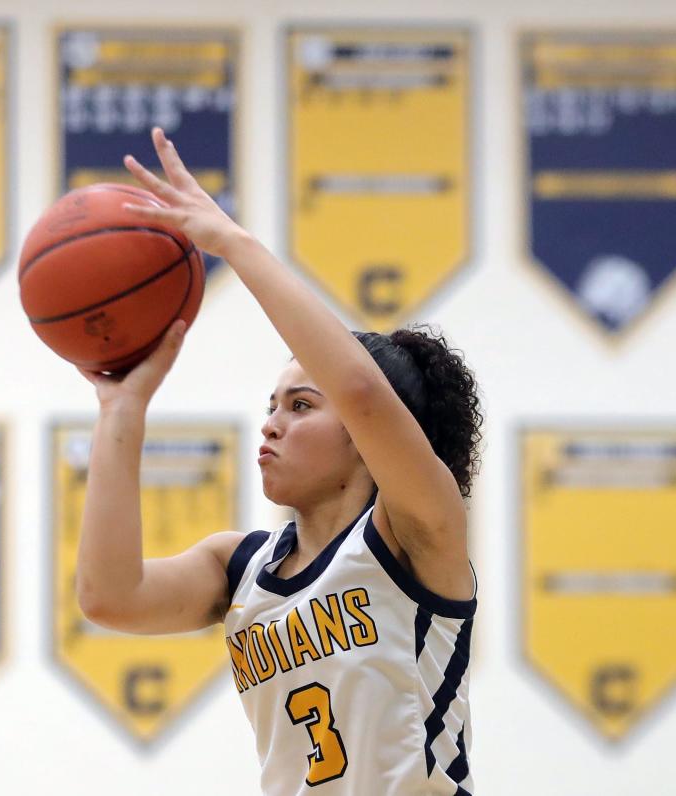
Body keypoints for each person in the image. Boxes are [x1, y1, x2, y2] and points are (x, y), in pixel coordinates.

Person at [76, 127, 484, 796]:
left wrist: (232, 243)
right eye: (272, 404)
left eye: (300, 406)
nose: (270, 424)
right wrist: (121, 411)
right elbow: (107, 596)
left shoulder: (417, 530)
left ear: (362, 433)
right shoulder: (242, 568)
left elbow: (357, 389)